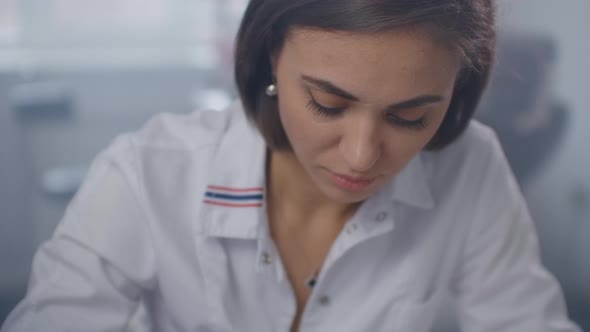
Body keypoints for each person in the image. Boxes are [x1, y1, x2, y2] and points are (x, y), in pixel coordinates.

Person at [1, 1, 581, 331]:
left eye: (410, 117)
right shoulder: (149, 174)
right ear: (271, 53)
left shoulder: (470, 167)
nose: (361, 156)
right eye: (327, 104)